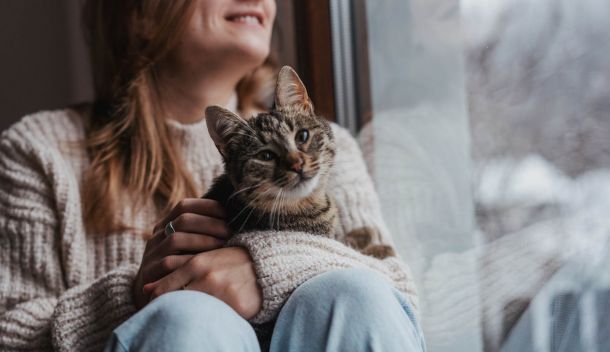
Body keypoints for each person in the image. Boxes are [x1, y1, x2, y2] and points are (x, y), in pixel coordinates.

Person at [0, 1, 426, 351]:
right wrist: (133, 298)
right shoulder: (39, 150)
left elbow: (397, 296)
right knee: (185, 319)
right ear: (141, 12)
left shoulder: (329, 149)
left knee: (356, 296)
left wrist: (265, 270)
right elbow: (9, 333)